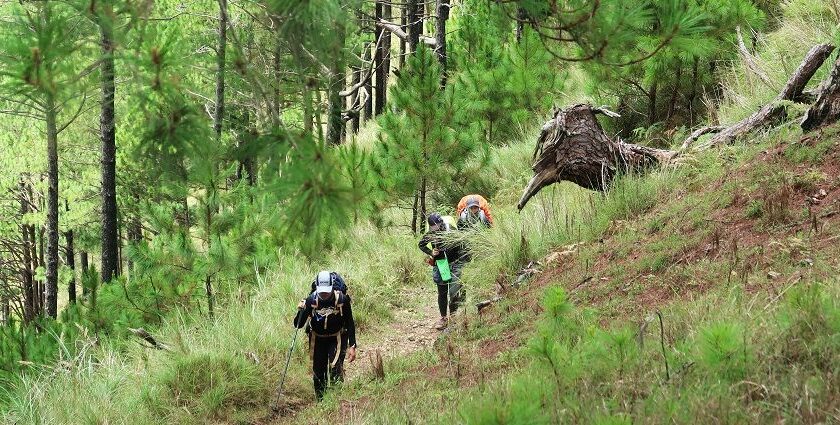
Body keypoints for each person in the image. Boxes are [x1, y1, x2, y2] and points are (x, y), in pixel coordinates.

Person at [294, 271, 357, 400]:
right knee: (318, 371)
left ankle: (336, 400)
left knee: (335, 367)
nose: (324, 294)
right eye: (321, 291)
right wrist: (300, 311)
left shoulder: (342, 300)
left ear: (331, 287)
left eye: (326, 291)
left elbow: (350, 322)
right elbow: (298, 325)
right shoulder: (311, 300)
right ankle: (321, 401)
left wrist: (353, 346)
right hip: (318, 339)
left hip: (337, 337)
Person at [418, 212, 465, 330]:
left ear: (441, 223)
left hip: (454, 263)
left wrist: (462, 261)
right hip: (441, 264)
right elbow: (421, 244)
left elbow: (462, 245)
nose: (435, 229)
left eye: (437, 226)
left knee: (454, 291)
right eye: (433, 227)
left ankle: (453, 317)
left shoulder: (451, 231)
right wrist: (431, 252)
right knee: (442, 292)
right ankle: (443, 318)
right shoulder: (431, 234)